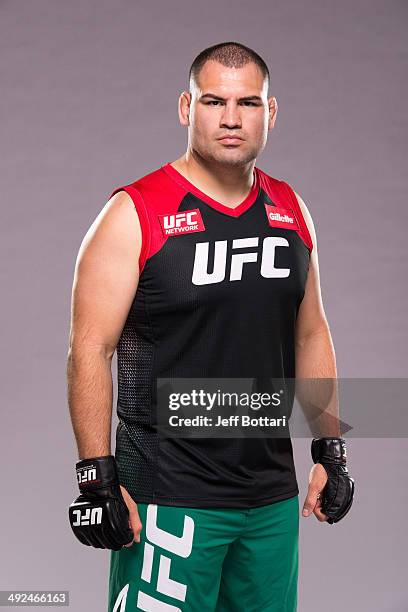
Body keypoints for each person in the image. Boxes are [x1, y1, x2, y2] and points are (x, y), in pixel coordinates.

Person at [67, 41, 354, 611]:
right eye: (212, 101)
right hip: (170, 499)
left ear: (269, 114)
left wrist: (330, 451)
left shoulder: (291, 210)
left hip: (270, 500)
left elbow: (310, 335)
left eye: (248, 102)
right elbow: (89, 349)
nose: (230, 118)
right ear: (185, 107)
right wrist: (95, 476)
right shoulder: (135, 213)